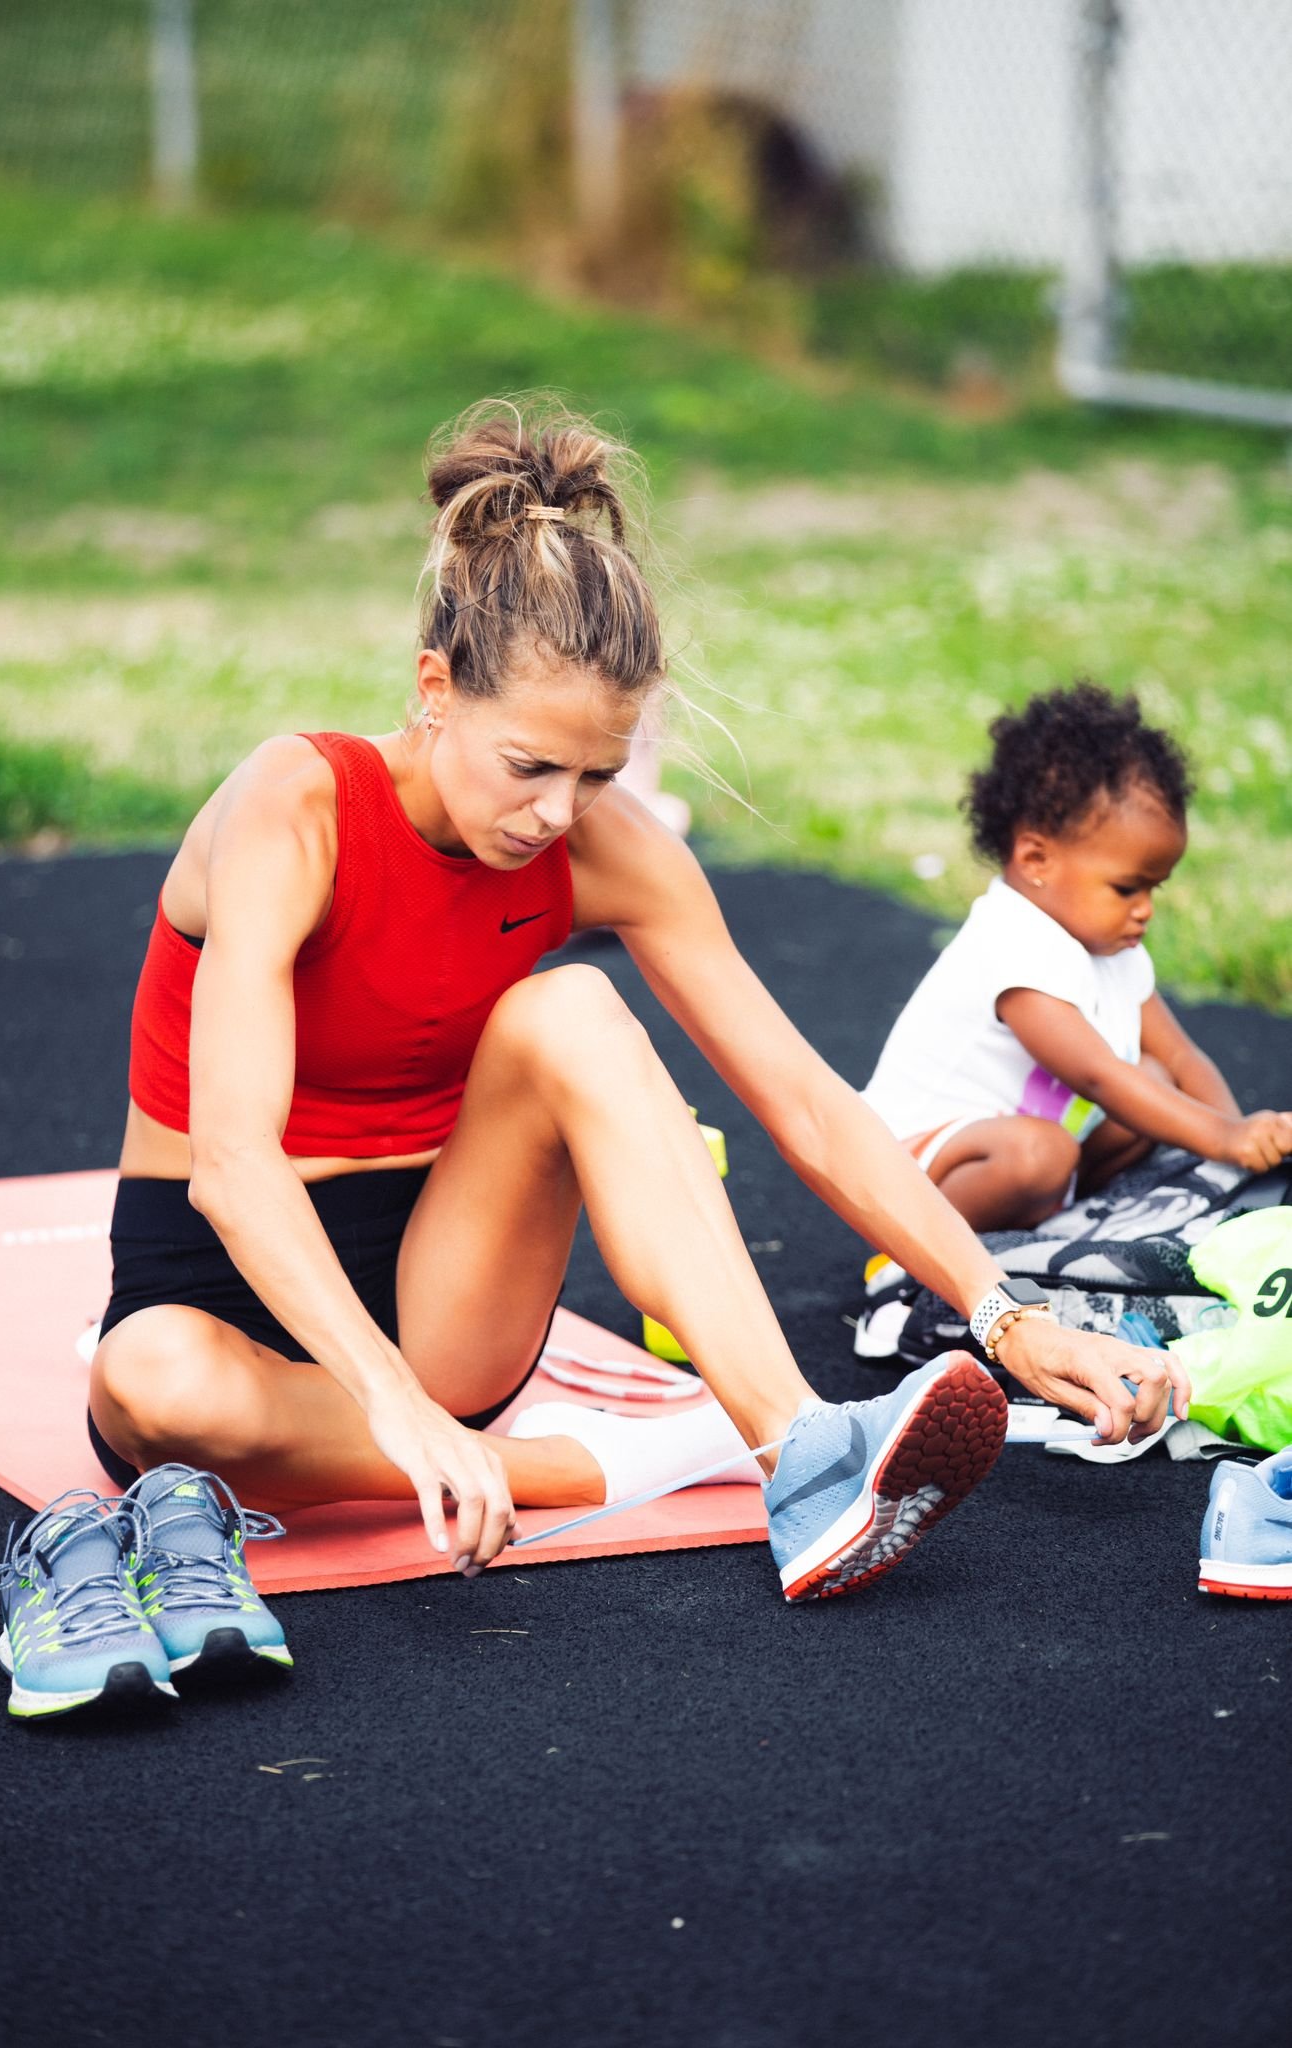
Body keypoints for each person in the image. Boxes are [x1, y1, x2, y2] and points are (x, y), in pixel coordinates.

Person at [88, 405, 1186, 1603]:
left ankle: (797, 1445)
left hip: (444, 1288)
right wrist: (399, 1410)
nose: (558, 812)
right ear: (434, 688)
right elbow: (232, 1166)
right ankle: (615, 1460)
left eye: (598, 772)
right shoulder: (294, 809)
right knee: (154, 1386)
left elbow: (806, 1100)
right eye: (529, 766)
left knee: (570, 1008)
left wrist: (1004, 1312)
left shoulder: (601, 846)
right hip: (220, 1289)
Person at [861, 683, 1292, 1234]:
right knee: (1042, 1151)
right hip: (913, 1172)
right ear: (1035, 859)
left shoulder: (1112, 951)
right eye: (1126, 888)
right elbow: (1097, 1076)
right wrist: (1224, 1138)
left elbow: (1183, 1059)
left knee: (1154, 1078)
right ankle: (922, 1252)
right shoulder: (1010, 943)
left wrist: (1241, 1151)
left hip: (1029, 1152)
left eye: (1154, 888)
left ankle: (1055, 1223)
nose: (1145, 909)